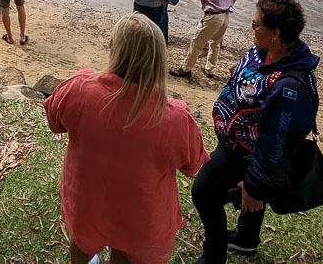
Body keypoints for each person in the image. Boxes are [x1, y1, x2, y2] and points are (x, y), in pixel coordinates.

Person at [44, 13, 209, 264]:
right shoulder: (176, 119)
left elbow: (54, 120)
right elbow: (193, 165)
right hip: (140, 215)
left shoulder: (79, 88)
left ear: (115, 50)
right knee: (126, 252)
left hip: (87, 199)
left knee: (82, 241)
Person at [191, 0, 319, 263]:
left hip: (246, 155)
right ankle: (247, 239)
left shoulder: (289, 88)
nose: (252, 27)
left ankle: (214, 255)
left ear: (275, 32)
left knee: (203, 193)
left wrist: (255, 186)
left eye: (256, 24)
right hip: (235, 143)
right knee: (243, 196)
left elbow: (277, 144)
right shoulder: (263, 52)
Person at [170, 0, 242, 80]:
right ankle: (209, 69)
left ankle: (185, 69)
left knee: (196, 43)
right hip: (225, 15)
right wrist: (230, 1)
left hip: (212, 16)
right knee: (215, 43)